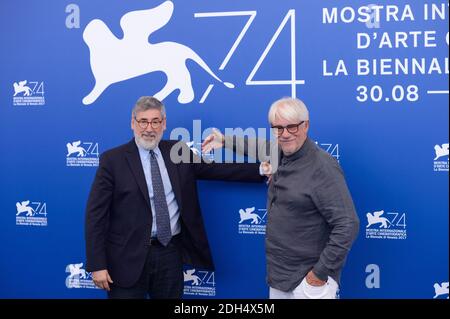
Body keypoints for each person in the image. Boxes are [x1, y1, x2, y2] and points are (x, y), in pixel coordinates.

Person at [85, 96, 263, 299]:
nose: (149, 128)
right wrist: (97, 264)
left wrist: (261, 169)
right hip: (126, 258)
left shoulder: (178, 151)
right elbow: (95, 215)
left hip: (169, 254)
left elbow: (217, 169)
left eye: (155, 121)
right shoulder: (112, 160)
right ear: (132, 123)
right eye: (143, 121)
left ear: (164, 124)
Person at [202, 97, 360, 299]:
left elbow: (348, 223)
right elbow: (256, 146)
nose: (284, 134)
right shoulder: (278, 152)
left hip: (309, 283)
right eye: (278, 128)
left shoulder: (323, 167)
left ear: (306, 126)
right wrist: (224, 141)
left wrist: (318, 275)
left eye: (292, 127)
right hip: (279, 276)